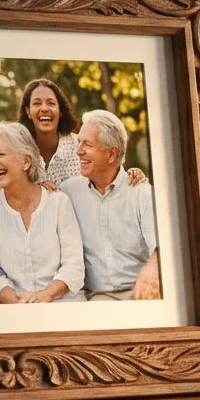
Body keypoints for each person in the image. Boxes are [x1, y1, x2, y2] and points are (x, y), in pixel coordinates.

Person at [0, 122, 85, 303]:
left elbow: (74, 265)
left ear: (26, 161)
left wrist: (44, 295)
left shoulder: (58, 201)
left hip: (63, 304)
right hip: (14, 308)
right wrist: (14, 301)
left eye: (1, 154)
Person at [60, 110, 161, 301]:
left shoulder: (140, 192)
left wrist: (153, 269)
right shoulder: (67, 192)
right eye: (78, 142)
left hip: (140, 291)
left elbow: (160, 243)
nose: (78, 150)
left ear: (111, 153)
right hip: (98, 297)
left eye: (87, 144)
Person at [16, 77, 148, 192]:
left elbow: (111, 172)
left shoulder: (81, 145)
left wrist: (133, 175)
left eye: (51, 103)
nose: (44, 108)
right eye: (37, 103)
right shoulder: (19, 152)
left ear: (60, 111)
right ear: (28, 112)